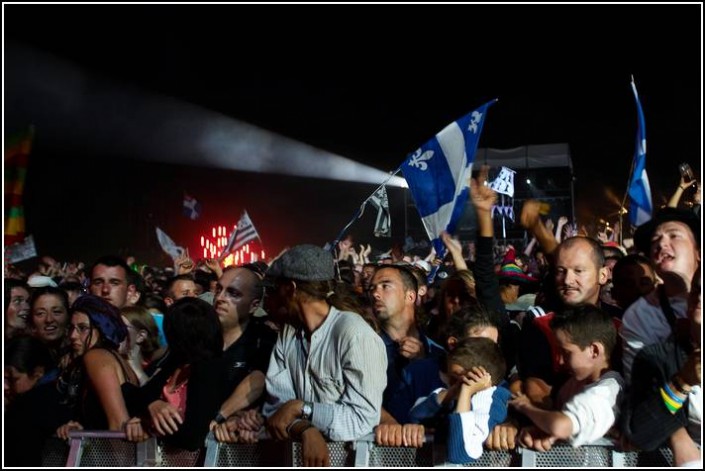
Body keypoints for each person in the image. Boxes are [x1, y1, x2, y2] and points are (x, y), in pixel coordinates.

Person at [262, 244, 386, 467]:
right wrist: (306, 429)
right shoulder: (288, 335)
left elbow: (362, 419)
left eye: (276, 288)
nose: (271, 296)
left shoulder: (353, 334)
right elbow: (277, 411)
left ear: (290, 288)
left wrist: (302, 408)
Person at [510, 305, 624, 450]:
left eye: (566, 353)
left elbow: (560, 426)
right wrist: (544, 432)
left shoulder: (605, 393)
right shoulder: (574, 383)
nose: (561, 361)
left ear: (594, 350)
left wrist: (526, 407)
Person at [622, 270, 701, 467]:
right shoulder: (656, 359)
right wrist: (683, 381)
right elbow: (640, 433)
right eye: (697, 289)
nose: (700, 296)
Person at [138, 297, 228, 451]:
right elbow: (139, 395)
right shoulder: (173, 364)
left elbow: (192, 438)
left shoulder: (209, 369)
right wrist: (152, 405)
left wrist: (149, 426)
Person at [622, 207, 700, 384]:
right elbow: (642, 388)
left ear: (699, 253)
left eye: (674, 236)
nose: (661, 244)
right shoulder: (639, 316)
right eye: (655, 240)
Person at [55, 295, 147, 442]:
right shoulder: (117, 358)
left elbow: (118, 426)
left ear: (103, 329)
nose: (73, 335)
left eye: (83, 328)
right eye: (71, 328)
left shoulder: (96, 357)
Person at [408, 337, 510, 464]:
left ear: (479, 377)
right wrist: (452, 393)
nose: (449, 382)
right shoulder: (455, 392)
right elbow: (414, 416)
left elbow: (460, 453)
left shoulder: (491, 400)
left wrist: (466, 392)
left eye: (455, 377)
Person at [209, 265, 277, 443]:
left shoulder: (265, 338)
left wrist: (219, 417)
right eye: (219, 289)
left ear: (254, 305)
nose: (221, 298)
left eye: (233, 293)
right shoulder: (199, 335)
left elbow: (258, 379)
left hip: (246, 443)